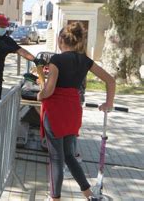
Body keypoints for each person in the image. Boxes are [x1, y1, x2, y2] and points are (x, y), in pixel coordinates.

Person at [37, 22, 116, 200]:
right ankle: (88, 193)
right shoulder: (85, 60)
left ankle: (54, 198)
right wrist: (107, 103)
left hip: (56, 110)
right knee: (69, 155)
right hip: (73, 109)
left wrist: (40, 95)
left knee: (56, 157)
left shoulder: (56, 60)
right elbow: (110, 81)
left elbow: (49, 91)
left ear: (60, 40)